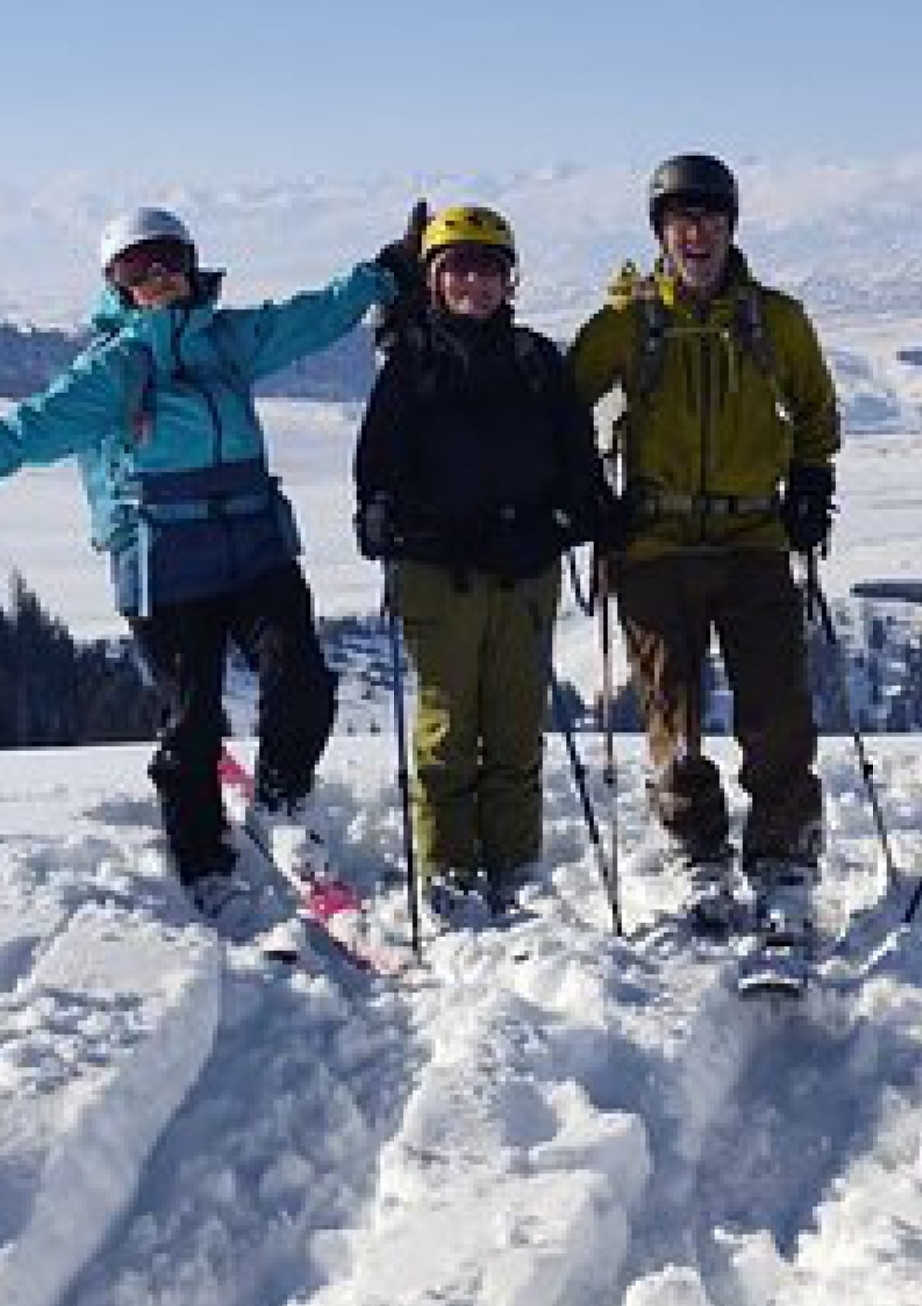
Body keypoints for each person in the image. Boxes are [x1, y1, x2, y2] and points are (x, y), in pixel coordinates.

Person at [0, 205, 406, 920]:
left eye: (168, 261)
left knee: (301, 676)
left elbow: (307, 317)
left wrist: (381, 276)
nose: (157, 279)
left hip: (255, 546)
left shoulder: (225, 338)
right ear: (114, 285)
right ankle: (202, 858)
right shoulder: (114, 369)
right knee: (193, 718)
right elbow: (33, 426)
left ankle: (279, 800)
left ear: (190, 264)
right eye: (135, 269)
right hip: (164, 562)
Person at [569, 153, 841, 939]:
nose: (696, 234)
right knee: (673, 713)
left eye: (710, 220)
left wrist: (809, 484)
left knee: (775, 708)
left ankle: (783, 857)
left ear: (730, 227)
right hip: (653, 541)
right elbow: (558, 410)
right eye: (681, 221)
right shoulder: (624, 324)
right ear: (660, 232)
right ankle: (700, 851)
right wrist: (591, 495)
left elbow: (816, 414)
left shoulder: (774, 320)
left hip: (753, 535)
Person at [354, 203, 608, 925]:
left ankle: (514, 864)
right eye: (457, 267)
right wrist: (387, 522)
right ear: (433, 281)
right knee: (446, 729)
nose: (474, 281)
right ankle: (448, 863)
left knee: (515, 724)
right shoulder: (410, 364)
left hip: (523, 569)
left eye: (487, 268)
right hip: (441, 574)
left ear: (509, 279)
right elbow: (377, 471)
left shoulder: (535, 361)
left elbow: (576, 467)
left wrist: (562, 521)